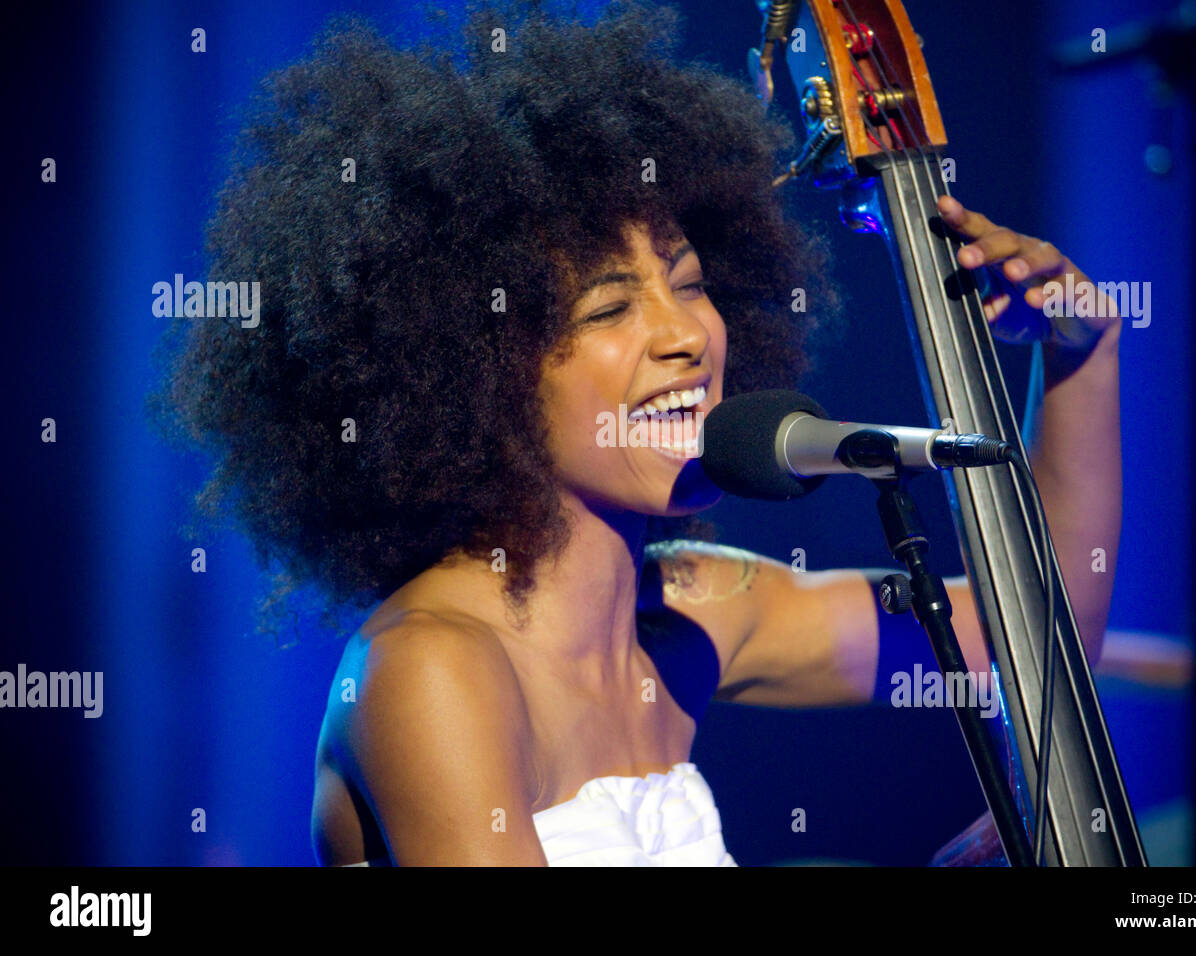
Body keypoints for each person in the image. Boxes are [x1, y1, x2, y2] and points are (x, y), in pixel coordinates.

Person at [155, 0, 1123, 865]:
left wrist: (1080, 352)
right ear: (476, 372)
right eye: (610, 308)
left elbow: (1031, 641)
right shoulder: (429, 665)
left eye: (692, 282)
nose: (685, 336)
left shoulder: (689, 608)